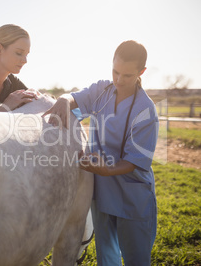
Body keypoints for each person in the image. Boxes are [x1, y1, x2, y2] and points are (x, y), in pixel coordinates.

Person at [43, 40, 158, 265]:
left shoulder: (146, 110)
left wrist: (106, 170)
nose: (118, 80)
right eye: (115, 71)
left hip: (131, 194)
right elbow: (75, 97)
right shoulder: (102, 90)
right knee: (107, 256)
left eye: (127, 75)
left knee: (136, 259)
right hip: (102, 192)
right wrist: (64, 99)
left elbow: (135, 161)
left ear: (141, 72)